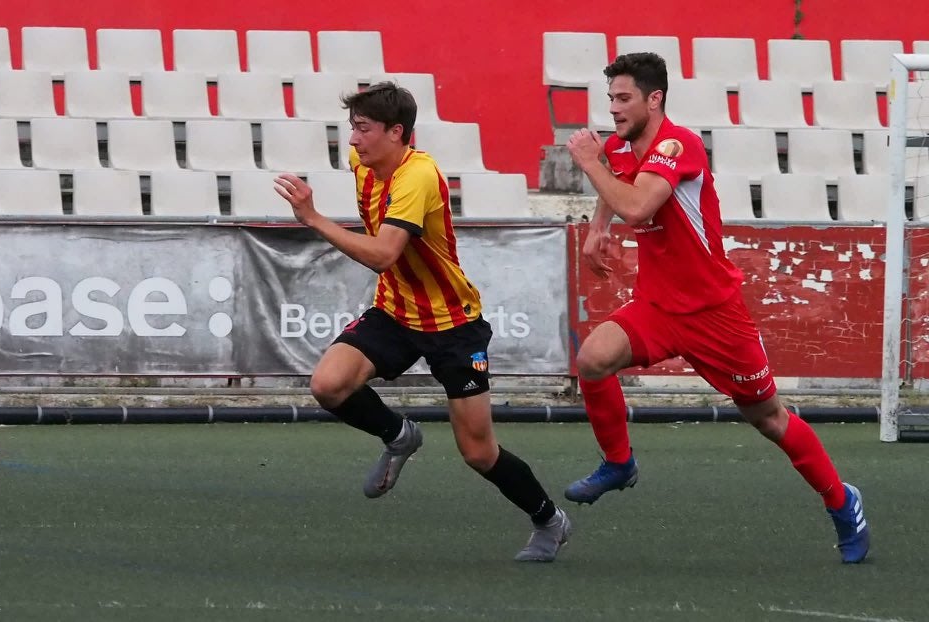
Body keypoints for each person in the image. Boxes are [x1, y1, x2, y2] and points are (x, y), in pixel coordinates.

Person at [564, 53, 870, 563]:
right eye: (610, 98)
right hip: (658, 307)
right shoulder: (619, 146)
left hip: (714, 315)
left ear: (654, 99)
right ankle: (619, 464)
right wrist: (599, 226)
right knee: (593, 359)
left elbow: (637, 204)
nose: (613, 109)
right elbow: (617, 177)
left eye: (624, 98)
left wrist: (589, 164)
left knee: (770, 419)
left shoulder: (677, 144)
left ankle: (843, 503)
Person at [274, 82, 571, 562]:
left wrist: (312, 217)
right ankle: (399, 435)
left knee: (478, 452)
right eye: (352, 128)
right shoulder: (362, 163)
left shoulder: (418, 177)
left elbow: (383, 254)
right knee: (328, 385)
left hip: (453, 324)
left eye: (363, 129)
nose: (352, 141)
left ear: (397, 133)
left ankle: (549, 520)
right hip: (395, 311)